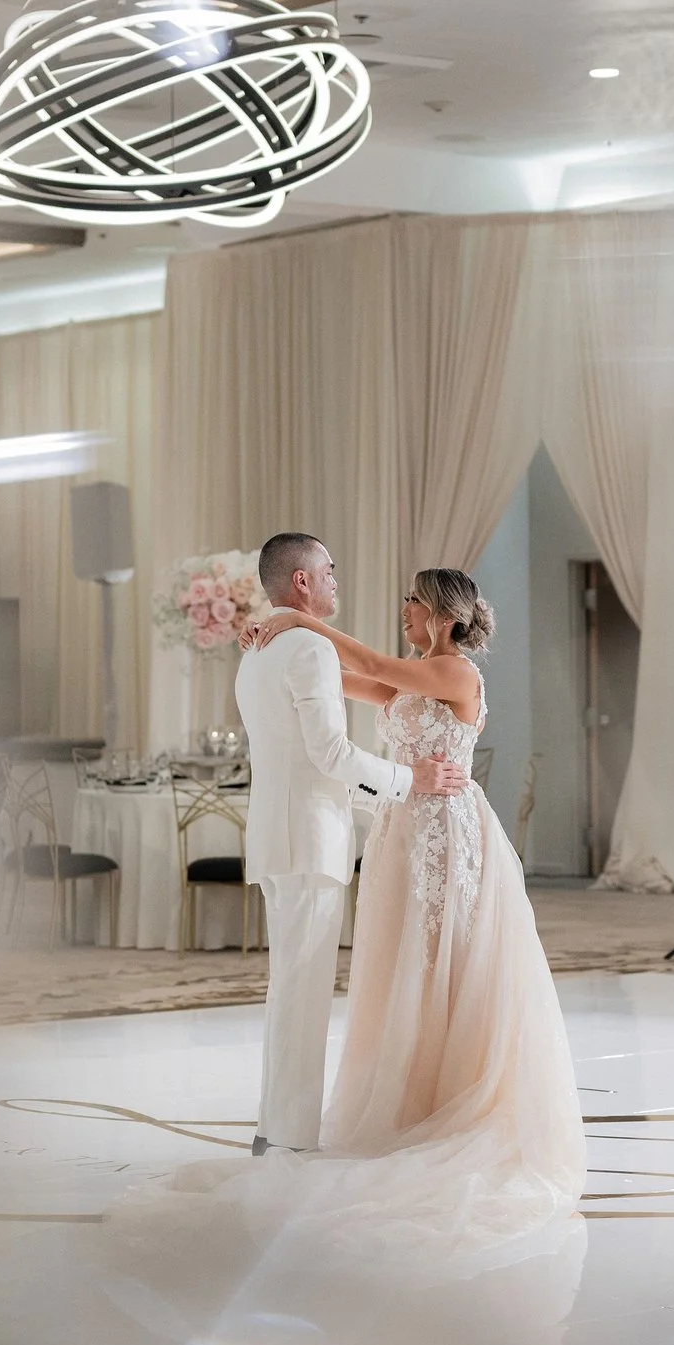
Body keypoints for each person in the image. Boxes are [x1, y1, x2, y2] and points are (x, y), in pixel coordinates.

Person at [237, 562, 585, 1264]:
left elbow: (362, 661)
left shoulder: (455, 672)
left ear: (446, 615)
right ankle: (412, 1096)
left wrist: (297, 618)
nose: (404, 609)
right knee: (403, 965)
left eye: (415, 602)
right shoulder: (414, 674)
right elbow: (344, 678)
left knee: (443, 959)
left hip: (447, 831)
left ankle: (452, 1099)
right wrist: (273, 642)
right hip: (400, 830)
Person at [232, 533, 470, 1157]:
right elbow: (330, 753)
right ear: (302, 582)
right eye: (329, 571)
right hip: (309, 837)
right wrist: (406, 782)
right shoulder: (298, 644)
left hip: (285, 834)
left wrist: (274, 625)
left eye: (414, 601)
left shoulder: (263, 650)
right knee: (301, 988)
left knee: (295, 985)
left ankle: (277, 1129)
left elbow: (363, 685)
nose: (339, 579)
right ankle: (286, 1136)